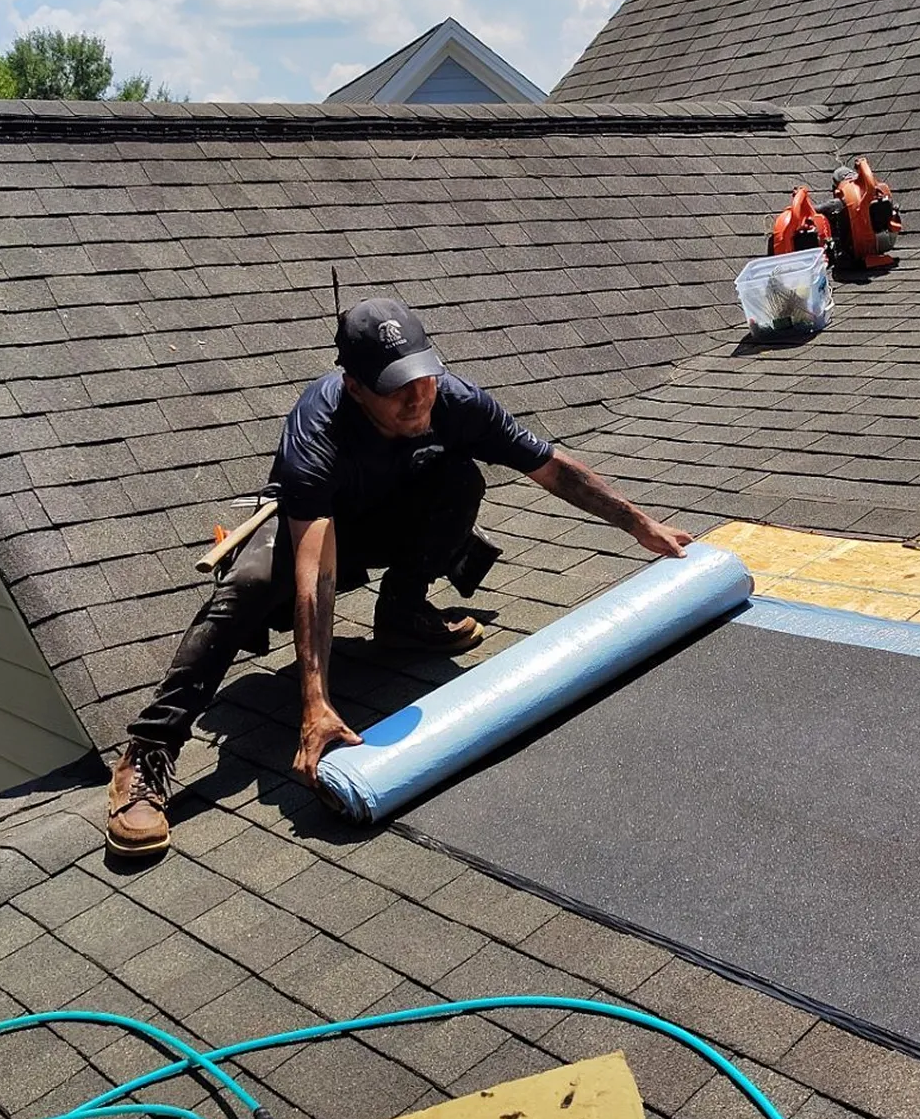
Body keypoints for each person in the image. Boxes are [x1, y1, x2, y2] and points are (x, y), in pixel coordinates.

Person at [104, 296, 691, 857]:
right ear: (355, 387)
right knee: (249, 587)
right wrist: (316, 703)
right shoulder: (318, 429)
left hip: (382, 513)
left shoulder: (455, 400)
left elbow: (552, 469)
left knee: (459, 479)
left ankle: (402, 616)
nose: (416, 399)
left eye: (423, 378)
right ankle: (148, 752)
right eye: (394, 388)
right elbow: (316, 574)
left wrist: (640, 525)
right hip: (312, 528)